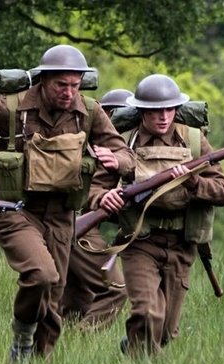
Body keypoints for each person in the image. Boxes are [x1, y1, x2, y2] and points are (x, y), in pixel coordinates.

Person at [0, 45, 132, 364]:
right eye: (61, 85)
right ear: (43, 80)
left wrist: (116, 160)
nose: (69, 93)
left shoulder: (90, 112)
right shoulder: (11, 108)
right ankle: (23, 336)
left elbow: (125, 153)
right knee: (41, 274)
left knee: (54, 294)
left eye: (75, 84)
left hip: (61, 214)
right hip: (14, 209)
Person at [93, 74, 224, 356]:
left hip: (182, 243)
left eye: (169, 110)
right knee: (146, 312)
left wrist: (194, 183)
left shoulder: (194, 141)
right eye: (156, 111)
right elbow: (96, 188)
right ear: (142, 111)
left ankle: (135, 345)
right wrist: (102, 198)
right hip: (139, 241)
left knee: (166, 331)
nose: (163, 117)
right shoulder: (123, 143)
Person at [60, 88, 132, 330]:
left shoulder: (116, 148)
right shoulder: (94, 147)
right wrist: (103, 197)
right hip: (77, 226)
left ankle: (65, 349)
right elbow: (81, 190)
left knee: (75, 301)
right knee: (115, 290)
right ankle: (84, 337)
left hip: (73, 225)